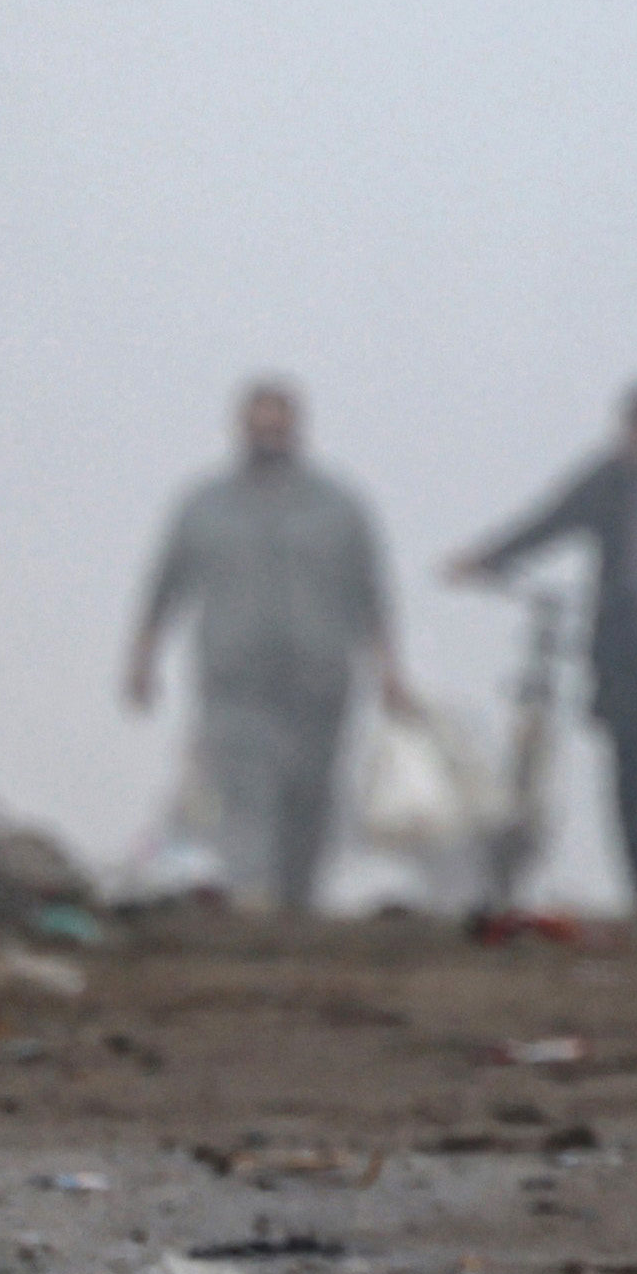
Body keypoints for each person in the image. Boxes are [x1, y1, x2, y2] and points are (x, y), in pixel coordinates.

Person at [453, 380, 637, 914]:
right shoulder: (608, 479)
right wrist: (488, 557)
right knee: (628, 777)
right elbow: (550, 519)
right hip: (625, 656)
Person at [123, 378, 405, 912]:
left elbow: (371, 595)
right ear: (241, 429)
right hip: (234, 678)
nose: (268, 435)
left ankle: (298, 901)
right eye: (259, 425)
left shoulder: (339, 507)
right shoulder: (203, 506)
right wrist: (142, 660)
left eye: (278, 425)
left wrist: (390, 671)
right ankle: (253, 894)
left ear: (296, 430)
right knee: (244, 790)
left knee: (310, 797)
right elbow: (166, 586)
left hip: (319, 679)